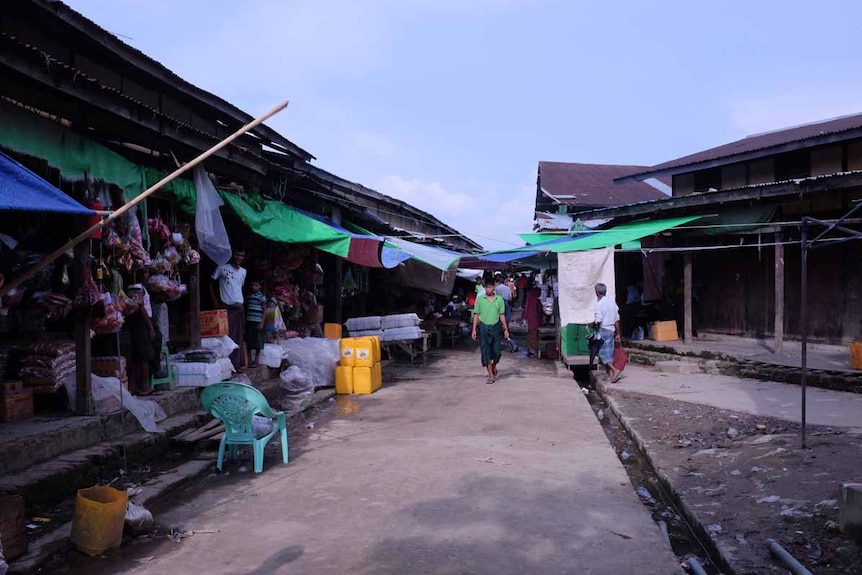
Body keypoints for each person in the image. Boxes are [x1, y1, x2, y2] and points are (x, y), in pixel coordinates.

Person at [211, 249, 247, 369]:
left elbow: (238, 288)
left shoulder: (243, 272)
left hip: (239, 308)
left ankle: (237, 364)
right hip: (226, 307)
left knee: (239, 336)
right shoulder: (222, 268)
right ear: (232, 255)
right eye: (238, 254)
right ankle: (228, 364)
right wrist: (215, 301)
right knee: (226, 336)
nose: (239, 257)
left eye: (242, 255)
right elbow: (210, 283)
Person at [472, 279, 509, 384]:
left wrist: (506, 329)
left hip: (495, 327)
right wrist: (474, 329)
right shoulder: (480, 299)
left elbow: (502, 315)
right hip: (483, 327)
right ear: (484, 288)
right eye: (486, 287)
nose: (488, 289)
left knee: (497, 352)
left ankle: (494, 366)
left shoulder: (499, 299)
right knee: (486, 351)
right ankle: (491, 375)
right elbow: (476, 314)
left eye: (490, 287)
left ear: (494, 288)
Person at [127, 274, 157, 396]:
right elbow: (141, 308)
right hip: (141, 323)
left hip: (137, 323)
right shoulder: (137, 288)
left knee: (136, 355)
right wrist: (150, 328)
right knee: (144, 355)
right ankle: (144, 385)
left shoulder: (136, 287)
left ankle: (133, 385)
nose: (146, 274)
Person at [594, 283, 622, 382]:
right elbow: (616, 320)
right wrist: (618, 334)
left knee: (601, 353)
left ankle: (615, 370)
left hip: (603, 330)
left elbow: (599, 320)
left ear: (597, 292)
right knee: (609, 353)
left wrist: (594, 326)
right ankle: (607, 375)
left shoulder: (599, 304)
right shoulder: (612, 303)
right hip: (612, 330)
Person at [494, 276, 519, 352]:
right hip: (506, 304)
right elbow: (510, 298)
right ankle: (510, 341)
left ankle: (497, 344)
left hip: (498, 304)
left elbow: (495, 297)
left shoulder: (497, 288)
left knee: (497, 325)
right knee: (506, 324)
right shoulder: (507, 288)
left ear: (498, 282)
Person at [245, 280, 266, 367]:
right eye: (253, 285)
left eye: (256, 285)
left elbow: (265, 310)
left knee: (258, 342)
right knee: (249, 340)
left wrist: (262, 323)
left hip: (258, 321)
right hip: (249, 320)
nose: (254, 287)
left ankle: (256, 360)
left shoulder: (261, 297)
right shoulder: (249, 296)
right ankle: (249, 360)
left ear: (260, 286)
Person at [524, 287, 542, 357]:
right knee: (535, 335)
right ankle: (536, 350)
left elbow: (526, 308)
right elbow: (539, 310)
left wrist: (525, 317)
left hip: (530, 319)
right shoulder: (536, 299)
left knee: (529, 335)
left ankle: (529, 350)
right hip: (535, 319)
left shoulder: (530, 297)